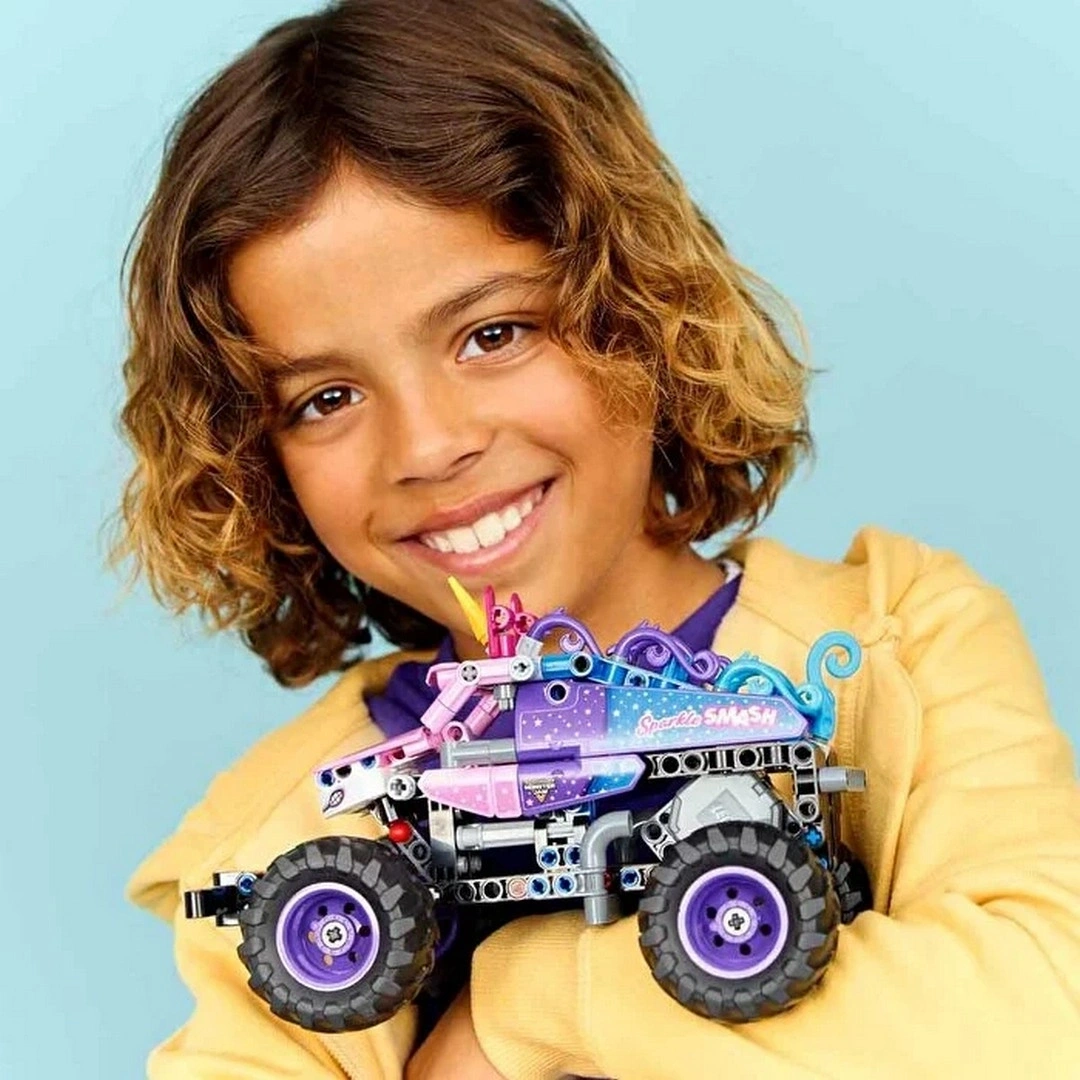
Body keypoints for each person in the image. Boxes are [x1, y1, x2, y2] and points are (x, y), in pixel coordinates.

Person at [115, 1, 1080, 1077]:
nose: (427, 446)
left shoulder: (903, 647)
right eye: (327, 398)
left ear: (637, 310)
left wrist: (518, 1012)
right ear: (258, 461)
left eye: (493, 333)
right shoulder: (294, 821)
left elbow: (1045, 1020)